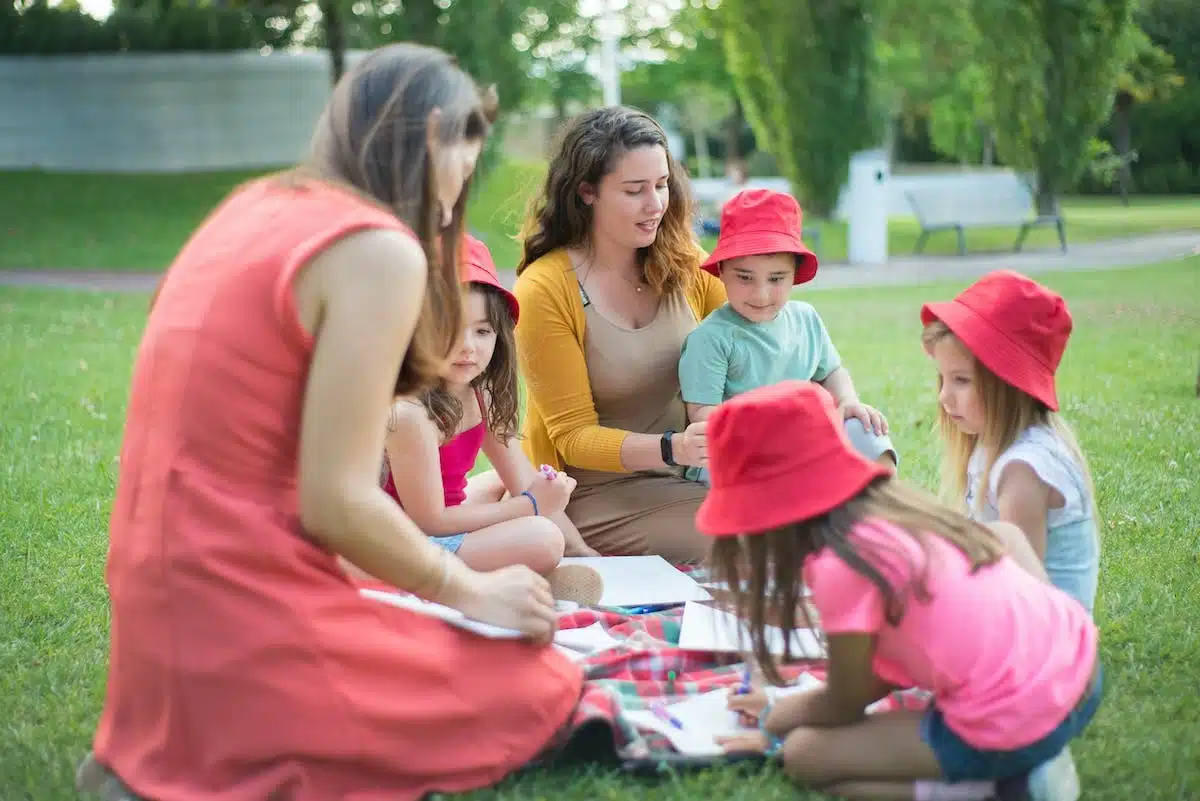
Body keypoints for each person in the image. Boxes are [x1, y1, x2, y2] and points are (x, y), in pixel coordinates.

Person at [76, 44, 581, 801]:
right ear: (436, 131)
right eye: (458, 181)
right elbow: (335, 500)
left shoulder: (247, 209)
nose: (451, 210)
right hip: (244, 618)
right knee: (541, 678)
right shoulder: (377, 248)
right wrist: (465, 591)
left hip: (154, 628)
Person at [698, 381, 1100, 801]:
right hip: (1079, 669)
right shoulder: (894, 508)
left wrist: (775, 719)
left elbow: (845, 702)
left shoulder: (840, 566)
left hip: (1019, 715)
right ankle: (1020, 759)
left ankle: (1003, 785)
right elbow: (872, 680)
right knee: (1001, 536)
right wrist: (788, 703)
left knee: (805, 755)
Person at [512, 106, 726, 562]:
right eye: (635, 190)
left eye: (662, 185)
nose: (655, 205)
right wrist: (675, 448)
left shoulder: (686, 264)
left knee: (822, 503)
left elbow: (752, 340)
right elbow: (572, 437)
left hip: (691, 477)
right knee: (754, 533)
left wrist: (835, 391)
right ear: (587, 192)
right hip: (590, 497)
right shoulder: (545, 289)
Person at [378, 234, 602, 601]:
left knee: (504, 482)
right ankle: (500, 577)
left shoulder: (479, 395)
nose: (469, 346)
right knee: (543, 537)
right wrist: (531, 507)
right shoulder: (410, 413)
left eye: (482, 331)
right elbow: (429, 521)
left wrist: (581, 549)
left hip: (447, 523)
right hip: (409, 542)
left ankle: (529, 566)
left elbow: (522, 479)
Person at [678, 188, 897, 479]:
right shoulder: (711, 338)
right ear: (721, 270)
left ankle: (882, 510)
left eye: (776, 278)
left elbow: (832, 371)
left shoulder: (805, 318)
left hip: (800, 442)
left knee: (864, 430)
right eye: (744, 277)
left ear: (794, 273)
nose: (761, 293)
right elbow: (703, 416)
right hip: (739, 454)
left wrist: (846, 400)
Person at [920, 270, 1099, 615]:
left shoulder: (1024, 471)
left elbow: (1018, 598)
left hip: (1044, 653)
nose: (944, 396)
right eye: (942, 378)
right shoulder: (996, 444)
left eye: (961, 380)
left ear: (1008, 384)